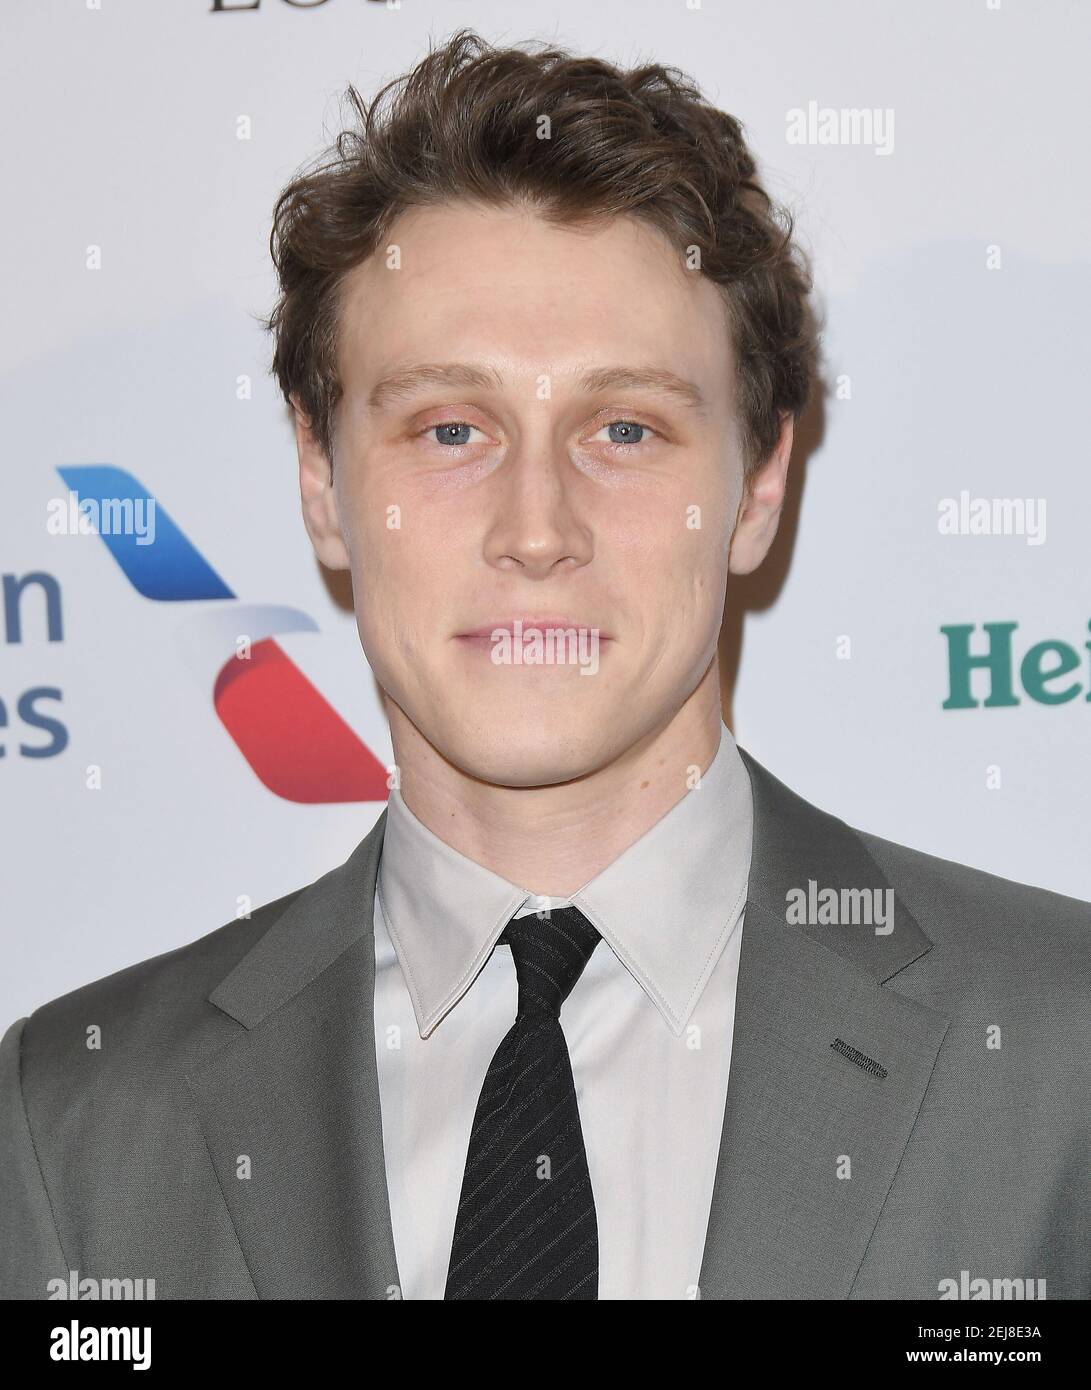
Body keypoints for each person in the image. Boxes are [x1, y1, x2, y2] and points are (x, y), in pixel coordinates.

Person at [2, 29, 1087, 1302]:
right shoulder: (74, 1132)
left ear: (758, 484)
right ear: (322, 483)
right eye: (448, 428)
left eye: (623, 428)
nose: (535, 530)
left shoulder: (1057, 1060)